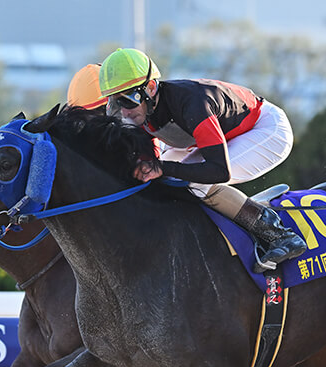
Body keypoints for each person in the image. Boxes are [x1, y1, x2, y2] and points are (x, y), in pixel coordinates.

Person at [97, 47, 306, 272]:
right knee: (161, 180)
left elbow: (218, 171)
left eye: (128, 101)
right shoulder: (142, 111)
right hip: (223, 136)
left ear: (150, 88)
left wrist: (162, 167)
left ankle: (279, 234)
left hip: (265, 129)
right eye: (116, 103)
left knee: (196, 184)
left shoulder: (192, 103)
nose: (125, 112)